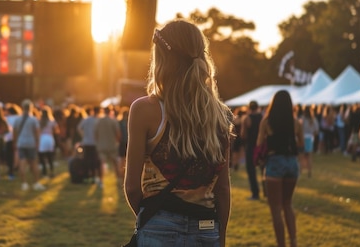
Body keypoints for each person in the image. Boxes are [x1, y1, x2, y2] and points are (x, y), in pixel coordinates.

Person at [124, 19, 232, 247]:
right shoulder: (220, 115)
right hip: (207, 229)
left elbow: (132, 188)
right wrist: (219, 239)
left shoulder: (145, 110)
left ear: (162, 59)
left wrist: (154, 220)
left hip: (159, 226)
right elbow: (222, 190)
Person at [256, 90, 304, 247]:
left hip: (275, 162)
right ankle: (294, 242)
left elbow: (259, 144)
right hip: (292, 163)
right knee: (288, 204)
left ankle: (281, 244)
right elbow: (301, 144)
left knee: (275, 209)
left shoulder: (267, 121)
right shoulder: (296, 122)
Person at [13, 99, 45, 191]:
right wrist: (38, 143)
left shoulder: (18, 119)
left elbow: (14, 133)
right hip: (31, 143)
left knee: (22, 163)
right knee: (34, 163)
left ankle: (24, 183)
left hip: (21, 143)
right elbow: (37, 133)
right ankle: (36, 182)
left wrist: (15, 143)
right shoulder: (34, 120)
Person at [94, 105, 121, 188]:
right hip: (112, 144)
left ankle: (101, 181)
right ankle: (119, 180)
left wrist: (98, 142)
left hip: (101, 145)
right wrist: (117, 142)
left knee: (102, 163)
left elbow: (95, 133)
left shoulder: (98, 121)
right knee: (115, 163)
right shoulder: (113, 121)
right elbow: (118, 134)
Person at [241, 100, 263, 200]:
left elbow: (243, 135)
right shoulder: (262, 117)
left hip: (250, 146)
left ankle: (255, 193)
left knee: (251, 170)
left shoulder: (247, 118)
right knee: (263, 169)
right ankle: (267, 192)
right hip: (261, 146)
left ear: (249, 108)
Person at [38, 105, 58, 178]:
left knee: (42, 155)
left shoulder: (39, 121)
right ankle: (51, 170)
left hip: (42, 138)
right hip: (49, 138)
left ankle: (44, 171)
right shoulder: (52, 121)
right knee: (50, 156)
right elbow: (56, 130)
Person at [299, 105, 318, 178]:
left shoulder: (302, 119)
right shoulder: (313, 119)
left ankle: (300, 172)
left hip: (303, 138)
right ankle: (309, 173)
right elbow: (316, 130)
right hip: (310, 138)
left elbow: (299, 129)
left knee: (301, 157)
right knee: (309, 156)